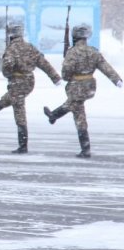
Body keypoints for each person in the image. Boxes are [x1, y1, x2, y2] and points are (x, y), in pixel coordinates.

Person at [0, 23, 61, 154]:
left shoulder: (11, 49)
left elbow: (7, 66)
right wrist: (55, 77)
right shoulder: (30, 47)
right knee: (8, 99)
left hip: (18, 81)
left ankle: (23, 145)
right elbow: (43, 63)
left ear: (10, 35)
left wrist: (8, 74)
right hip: (29, 80)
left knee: (19, 110)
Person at [43, 23, 122, 158]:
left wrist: (69, 71)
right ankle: (55, 116)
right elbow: (105, 67)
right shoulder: (93, 51)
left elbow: (65, 75)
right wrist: (117, 80)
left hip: (76, 86)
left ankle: (84, 148)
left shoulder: (72, 52)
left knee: (77, 110)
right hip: (89, 87)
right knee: (77, 110)